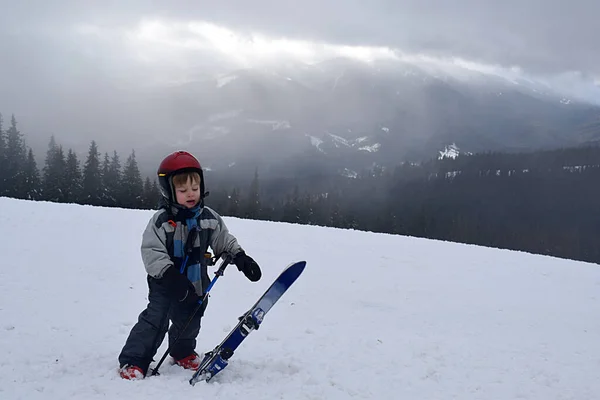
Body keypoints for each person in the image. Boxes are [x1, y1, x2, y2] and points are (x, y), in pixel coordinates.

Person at [118, 150, 262, 380]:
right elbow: (152, 252)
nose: (191, 194)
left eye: (194, 188)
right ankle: (134, 360)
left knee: (191, 318)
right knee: (156, 319)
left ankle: (182, 351)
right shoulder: (161, 221)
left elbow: (222, 240)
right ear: (169, 191)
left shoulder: (209, 218)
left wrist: (240, 256)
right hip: (166, 282)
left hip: (195, 280)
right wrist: (169, 276)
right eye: (183, 190)